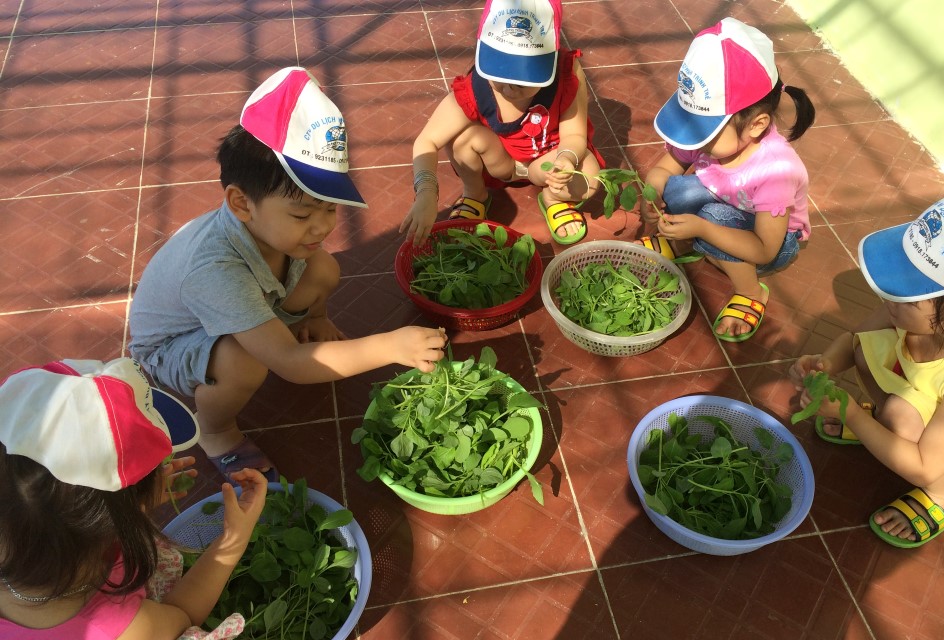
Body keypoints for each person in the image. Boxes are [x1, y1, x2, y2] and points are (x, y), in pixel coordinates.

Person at [129, 67, 448, 483]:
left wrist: (316, 316)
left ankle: (302, 321)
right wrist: (391, 346)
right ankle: (216, 432)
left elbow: (311, 263)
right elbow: (291, 365)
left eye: (330, 208)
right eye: (302, 215)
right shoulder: (214, 271)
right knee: (244, 361)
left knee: (323, 267)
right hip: (173, 344)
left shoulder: (267, 229)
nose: (322, 226)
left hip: (242, 301)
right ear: (241, 203)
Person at [0, 358, 267, 640]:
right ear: (115, 520)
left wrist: (131, 503)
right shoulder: (118, 636)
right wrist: (233, 540)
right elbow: (181, 615)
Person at [789, 187, 944, 548]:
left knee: (900, 415)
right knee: (866, 352)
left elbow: (925, 465)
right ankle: (883, 427)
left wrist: (853, 415)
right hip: (938, 402)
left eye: (909, 295)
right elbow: (855, 338)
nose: (889, 297)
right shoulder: (926, 314)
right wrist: (826, 364)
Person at [639, 18, 816, 342]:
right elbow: (663, 172)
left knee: (712, 216)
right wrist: (652, 196)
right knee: (677, 191)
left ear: (756, 125)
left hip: (771, 242)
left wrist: (703, 229)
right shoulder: (712, 135)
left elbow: (764, 250)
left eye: (704, 132)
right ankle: (690, 239)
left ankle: (750, 292)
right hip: (723, 211)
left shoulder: (776, 171)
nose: (695, 140)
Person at [399, 0, 605, 247]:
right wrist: (426, 193)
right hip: (501, 162)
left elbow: (574, 136)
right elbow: (427, 140)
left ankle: (553, 199)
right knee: (461, 139)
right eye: (499, 75)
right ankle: (475, 193)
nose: (508, 89)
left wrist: (566, 159)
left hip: (549, 162)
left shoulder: (566, 73)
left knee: (590, 177)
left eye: (522, 81)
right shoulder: (477, 87)